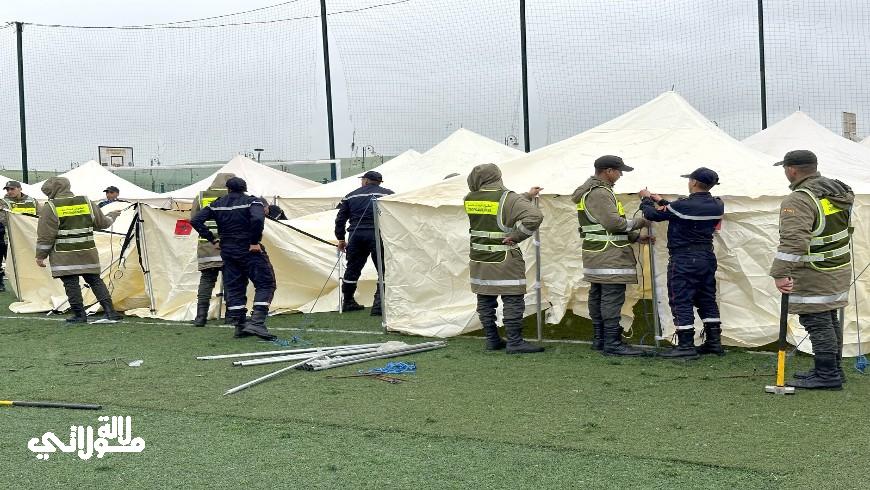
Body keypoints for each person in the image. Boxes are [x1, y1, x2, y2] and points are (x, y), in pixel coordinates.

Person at [771, 150, 853, 390]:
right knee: (828, 317)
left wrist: (780, 273)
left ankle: (827, 375)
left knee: (817, 321)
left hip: (814, 271)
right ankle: (832, 370)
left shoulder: (799, 199)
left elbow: (794, 242)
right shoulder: (837, 191)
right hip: (837, 267)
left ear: (791, 170)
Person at [639, 167, 725, 358]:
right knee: (707, 299)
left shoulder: (683, 205)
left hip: (684, 259)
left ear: (693, 182)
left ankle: (686, 346)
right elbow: (682, 211)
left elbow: (652, 215)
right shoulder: (718, 205)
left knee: (681, 299)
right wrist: (662, 201)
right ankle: (714, 343)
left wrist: (646, 199)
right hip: (706, 257)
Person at [572, 155, 650, 356]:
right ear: (608, 171)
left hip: (596, 253)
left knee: (598, 296)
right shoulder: (600, 193)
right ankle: (612, 343)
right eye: (619, 171)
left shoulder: (590, 191)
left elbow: (601, 225)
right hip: (610, 255)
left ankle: (600, 340)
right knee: (611, 298)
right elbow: (614, 223)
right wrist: (640, 223)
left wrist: (634, 237)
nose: (621, 175)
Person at [465, 163, 545, 354]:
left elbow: (500, 205)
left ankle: (492, 340)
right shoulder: (508, 197)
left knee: (485, 300)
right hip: (504, 259)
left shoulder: (470, 198)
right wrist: (517, 236)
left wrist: (526, 195)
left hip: (479, 258)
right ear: (497, 177)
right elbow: (534, 216)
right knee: (512, 299)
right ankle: (515, 342)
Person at [190, 177, 277, 340]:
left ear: (228, 189)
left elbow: (195, 220)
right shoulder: (252, 201)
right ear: (244, 188)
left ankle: (240, 326)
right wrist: (254, 242)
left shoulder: (216, 203)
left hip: (228, 251)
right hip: (248, 249)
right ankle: (257, 322)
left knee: (235, 287)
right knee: (266, 283)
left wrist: (212, 239)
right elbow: (258, 219)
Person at [35, 177, 122, 323]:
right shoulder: (86, 202)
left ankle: (79, 315)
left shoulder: (50, 207)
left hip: (64, 254)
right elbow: (102, 223)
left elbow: (46, 235)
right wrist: (112, 215)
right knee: (95, 280)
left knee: (71, 283)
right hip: (88, 251)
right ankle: (110, 311)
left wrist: (40, 256)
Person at [334, 170, 394, 316]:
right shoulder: (389, 194)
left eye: (362, 180)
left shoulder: (350, 196)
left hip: (355, 235)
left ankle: (348, 301)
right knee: (383, 269)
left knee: (352, 269)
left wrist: (341, 239)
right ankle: (378, 306)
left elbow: (340, 219)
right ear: (379, 182)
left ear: (366, 181)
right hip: (378, 234)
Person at [189, 173, 234, 327]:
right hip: (229, 246)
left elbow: (193, 218)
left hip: (207, 246)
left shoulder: (201, 196)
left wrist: (211, 238)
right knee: (230, 281)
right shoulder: (234, 197)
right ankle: (231, 316)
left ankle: (200, 317)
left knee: (207, 280)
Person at [0, 180, 39, 292]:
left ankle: (30, 285)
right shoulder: (3, 202)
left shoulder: (32, 201)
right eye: (7, 189)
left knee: (28, 263)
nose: (9, 191)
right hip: (8, 238)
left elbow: (39, 216)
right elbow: (3, 220)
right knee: (10, 264)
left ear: (20, 189)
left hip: (29, 238)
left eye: (12, 189)